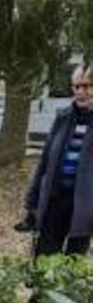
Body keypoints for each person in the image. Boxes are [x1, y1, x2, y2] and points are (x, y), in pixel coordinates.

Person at [21, 64, 93, 257]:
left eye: (86, 86)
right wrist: (31, 203)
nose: (80, 92)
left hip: (84, 206)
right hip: (54, 200)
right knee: (44, 261)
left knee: (73, 265)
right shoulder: (63, 118)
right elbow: (44, 164)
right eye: (76, 86)